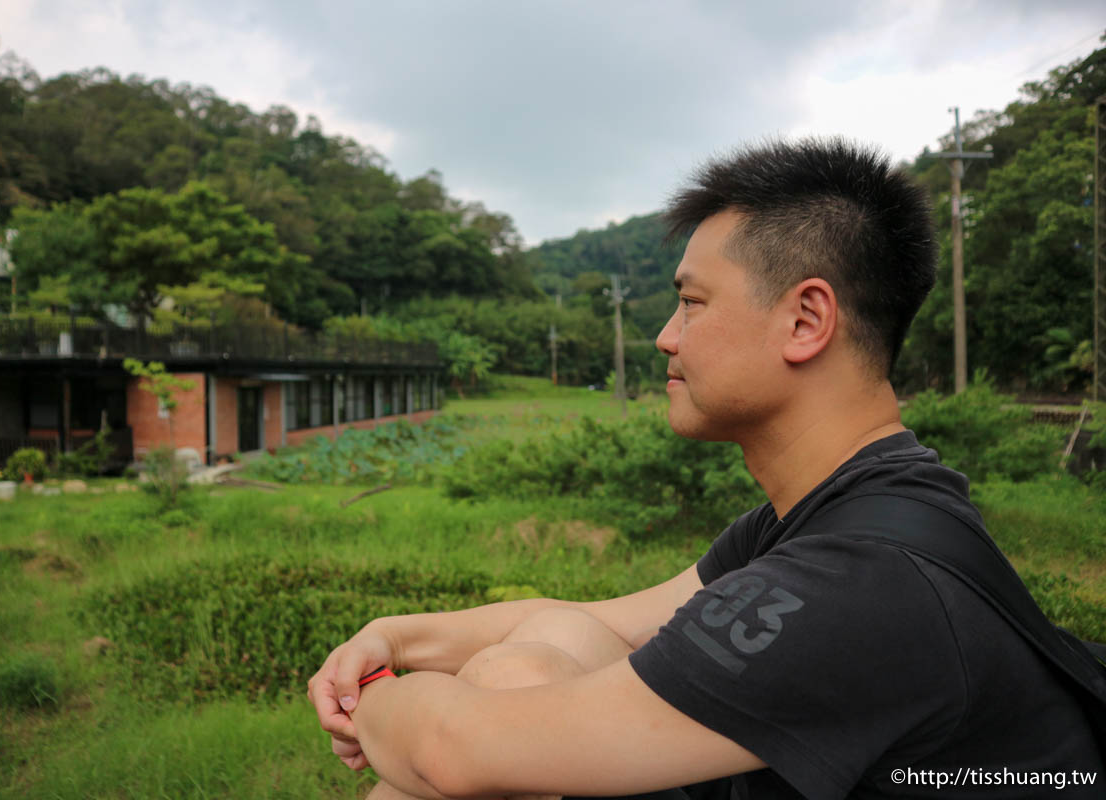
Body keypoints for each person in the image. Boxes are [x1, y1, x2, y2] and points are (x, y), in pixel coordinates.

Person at [307, 138, 1102, 799]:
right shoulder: (841, 511)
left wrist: (370, 701)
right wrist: (395, 638)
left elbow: (455, 750)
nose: (665, 336)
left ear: (805, 319)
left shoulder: (858, 582)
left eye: (690, 302)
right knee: (537, 647)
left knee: (477, 743)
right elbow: (615, 619)